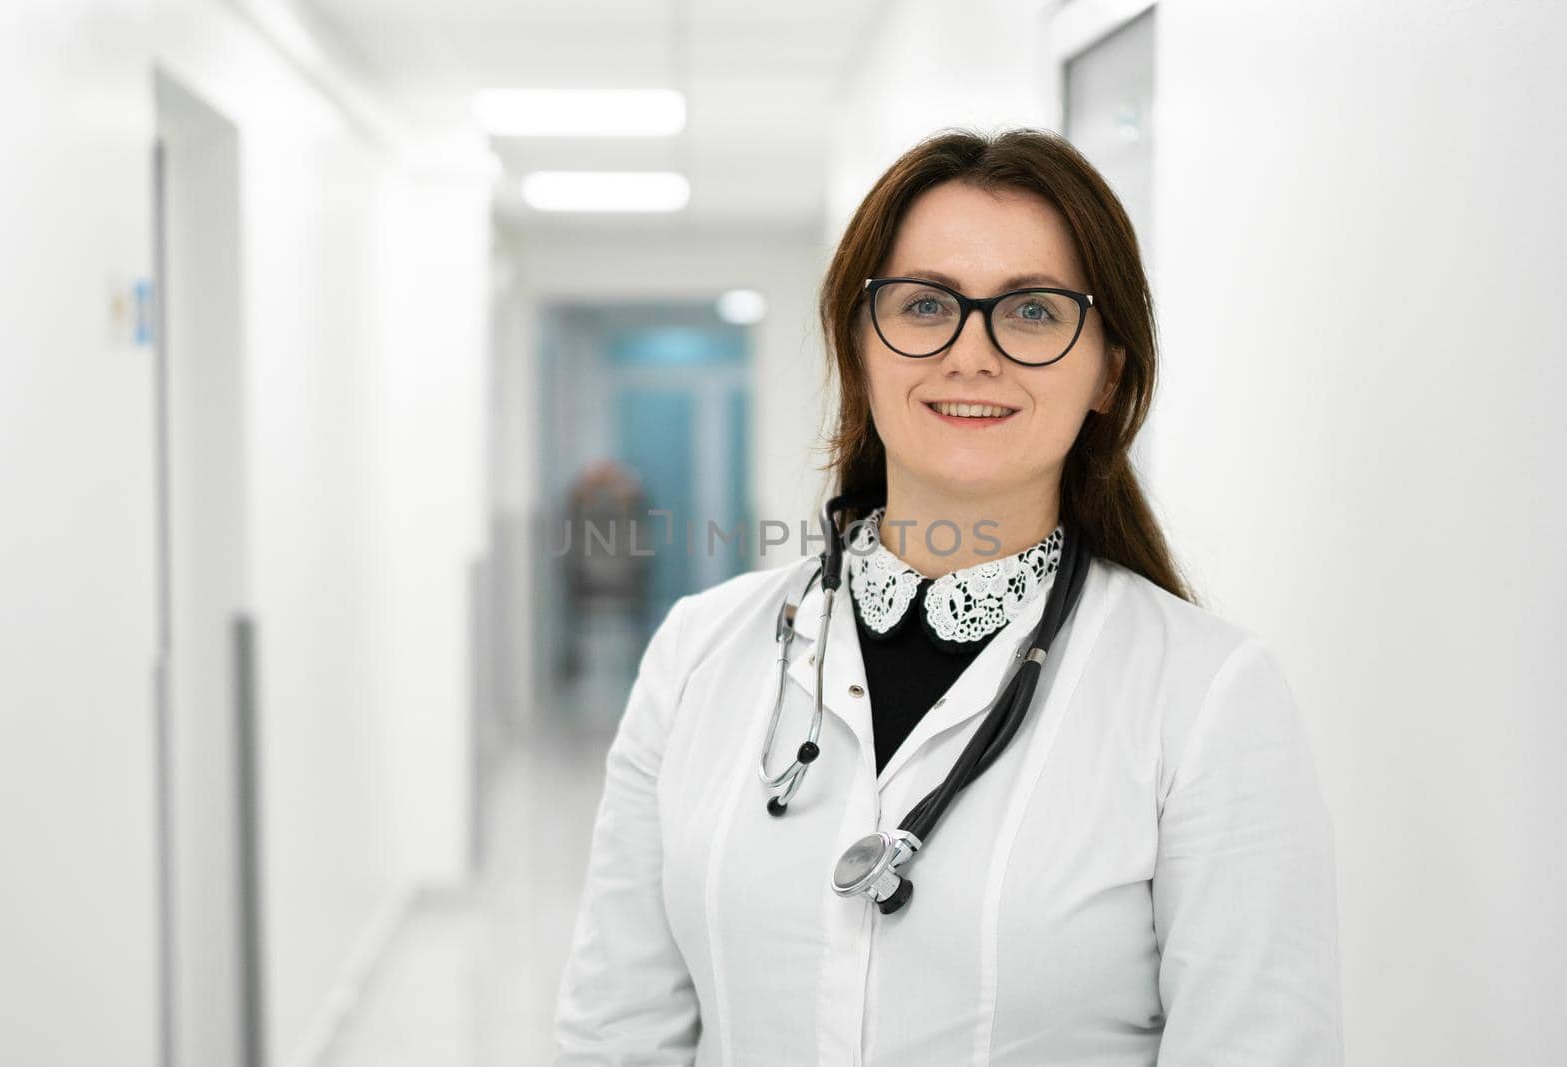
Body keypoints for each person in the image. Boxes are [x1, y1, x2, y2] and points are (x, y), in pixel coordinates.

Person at [553, 127, 1343, 1065]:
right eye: (926, 305)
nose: (972, 353)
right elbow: (615, 1033)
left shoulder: (1206, 697)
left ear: (1109, 373)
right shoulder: (698, 653)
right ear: (861, 345)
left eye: (1035, 312)